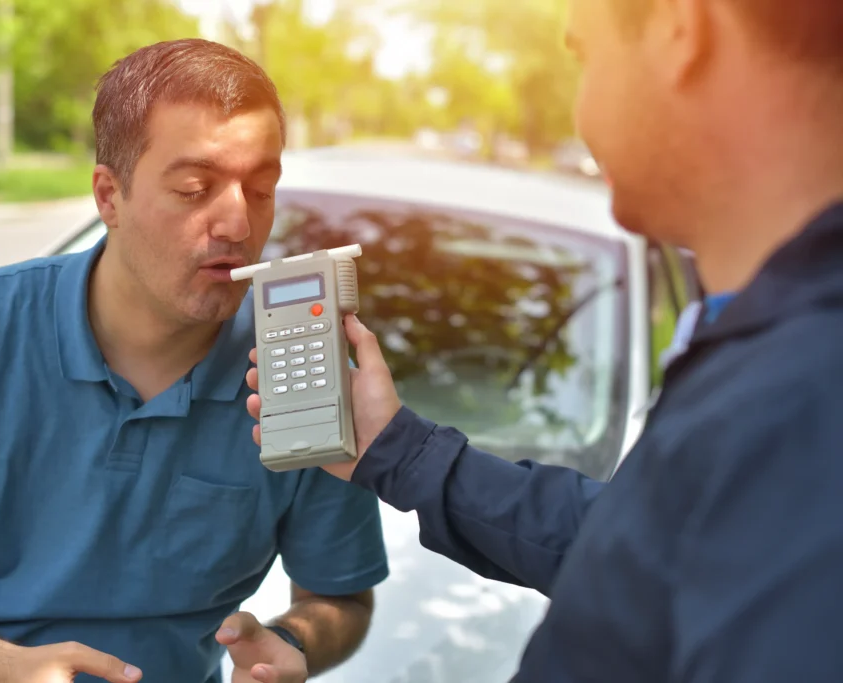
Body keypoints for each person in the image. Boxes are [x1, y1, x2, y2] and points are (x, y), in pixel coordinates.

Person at [243, 0, 843, 681]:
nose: (580, 114)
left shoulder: (807, 405)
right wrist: (396, 449)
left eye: (584, 54)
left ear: (684, 25)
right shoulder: (780, 359)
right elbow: (641, 544)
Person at [0, 39, 389, 683]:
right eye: (194, 188)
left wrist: (295, 642)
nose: (237, 221)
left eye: (261, 190)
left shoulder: (299, 365)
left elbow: (340, 597)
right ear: (108, 196)